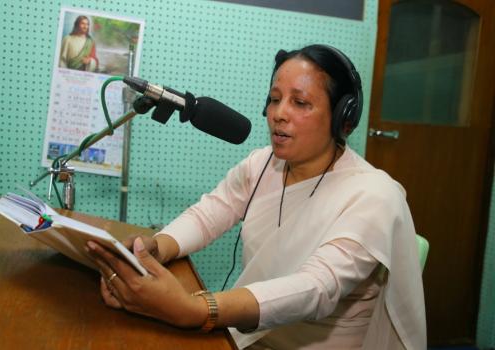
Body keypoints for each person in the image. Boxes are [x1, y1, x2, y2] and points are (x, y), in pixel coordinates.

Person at [86, 44, 426, 349]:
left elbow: (318, 287)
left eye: (300, 102)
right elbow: (208, 215)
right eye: (275, 99)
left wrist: (195, 309)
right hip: (248, 336)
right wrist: (156, 247)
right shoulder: (262, 164)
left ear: (344, 119)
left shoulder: (374, 195)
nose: (278, 113)